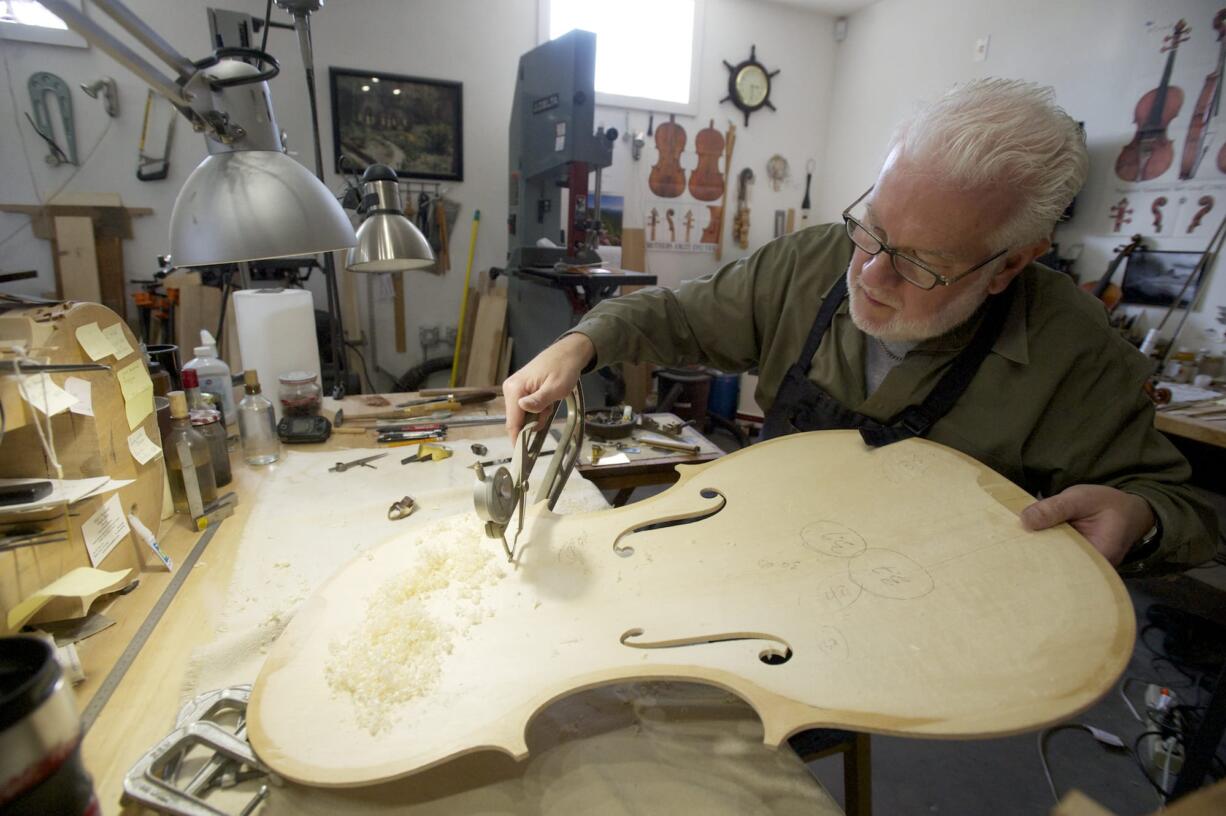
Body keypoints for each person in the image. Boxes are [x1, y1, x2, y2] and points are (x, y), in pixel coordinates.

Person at [503, 78, 1218, 575]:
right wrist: (578, 343)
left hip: (917, 620)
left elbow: (1184, 510)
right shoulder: (813, 260)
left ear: (1009, 266)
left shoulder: (1079, 355)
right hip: (757, 552)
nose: (870, 277)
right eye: (870, 231)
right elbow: (673, 315)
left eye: (920, 265)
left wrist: (1140, 519)